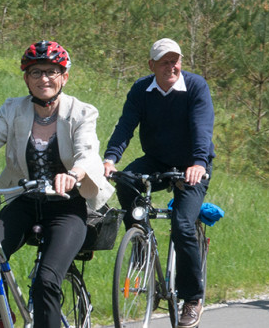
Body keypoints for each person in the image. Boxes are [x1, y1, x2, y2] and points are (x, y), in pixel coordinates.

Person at [0, 41, 114, 328]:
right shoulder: (13, 110)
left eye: (52, 71)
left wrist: (73, 175)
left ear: (64, 77)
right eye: (36, 72)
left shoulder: (81, 112)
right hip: (24, 201)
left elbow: (87, 153)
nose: (44, 79)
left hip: (66, 207)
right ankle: (2, 316)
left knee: (47, 281)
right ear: (26, 78)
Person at [101, 38, 213, 328]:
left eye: (175, 60)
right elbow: (125, 126)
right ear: (151, 66)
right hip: (157, 159)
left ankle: (192, 298)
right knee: (125, 182)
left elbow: (203, 126)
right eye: (164, 61)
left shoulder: (196, 86)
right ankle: (141, 246)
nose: (172, 66)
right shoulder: (142, 89)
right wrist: (110, 159)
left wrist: (199, 163)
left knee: (183, 224)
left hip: (192, 165)